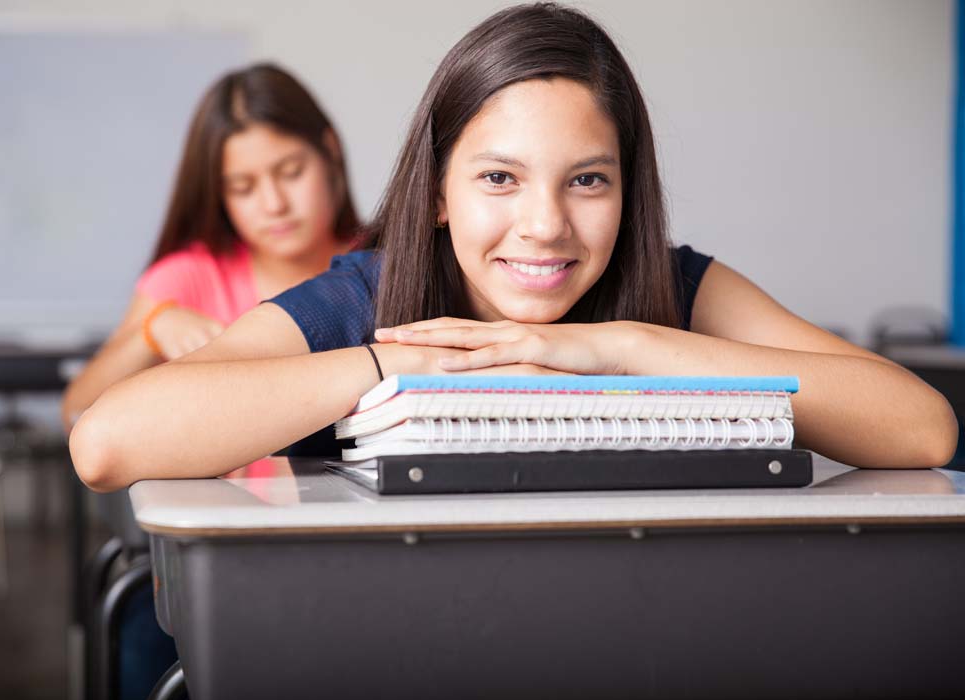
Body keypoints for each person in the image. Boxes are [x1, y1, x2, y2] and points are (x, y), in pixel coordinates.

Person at [70, 2, 957, 491]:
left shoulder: (675, 290)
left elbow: (923, 429)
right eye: (500, 178)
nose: (546, 225)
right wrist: (402, 369)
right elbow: (109, 443)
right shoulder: (361, 301)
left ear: (629, 189)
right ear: (440, 194)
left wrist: (620, 346)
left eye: (588, 180)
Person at [61, 63, 361, 429]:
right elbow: (77, 415)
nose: (274, 204)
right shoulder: (185, 281)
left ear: (329, 150)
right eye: (242, 188)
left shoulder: (387, 262)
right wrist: (149, 334)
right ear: (218, 194)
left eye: (291, 172)